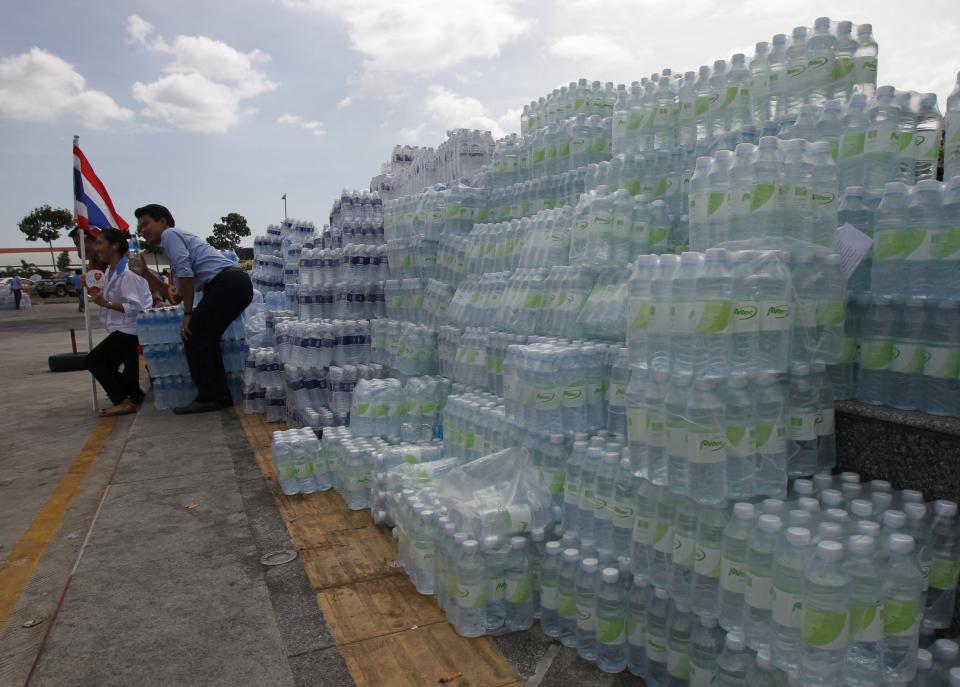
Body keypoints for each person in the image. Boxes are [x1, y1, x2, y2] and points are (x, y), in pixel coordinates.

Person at [132, 204, 253, 414]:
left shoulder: (170, 235)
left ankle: (208, 397)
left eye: (146, 223)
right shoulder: (175, 243)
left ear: (162, 221)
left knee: (193, 334)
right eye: (139, 227)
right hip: (233, 285)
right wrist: (146, 274)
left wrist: (188, 315)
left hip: (227, 283)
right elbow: (176, 294)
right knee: (205, 339)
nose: (142, 230)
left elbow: (186, 274)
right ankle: (220, 397)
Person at [85, 229, 153, 417]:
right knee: (109, 365)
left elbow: (135, 306)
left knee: (94, 361)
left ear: (114, 245)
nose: (97, 248)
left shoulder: (128, 274)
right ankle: (133, 394)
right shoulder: (111, 271)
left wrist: (106, 304)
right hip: (120, 328)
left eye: (100, 243)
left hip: (129, 329)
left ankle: (123, 401)